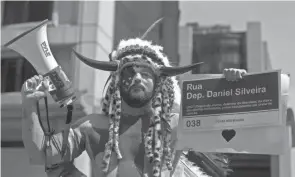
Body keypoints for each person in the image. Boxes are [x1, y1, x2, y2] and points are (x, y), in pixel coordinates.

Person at [21, 37, 247, 177]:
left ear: (160, 83)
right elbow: (42, 153)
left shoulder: (178, 124)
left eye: (146, 73)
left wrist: (234, 85)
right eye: (129, 72)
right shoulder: (93, 127)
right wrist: (30, 105)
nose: (137, 77)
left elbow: (237, 131)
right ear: (117, 82)